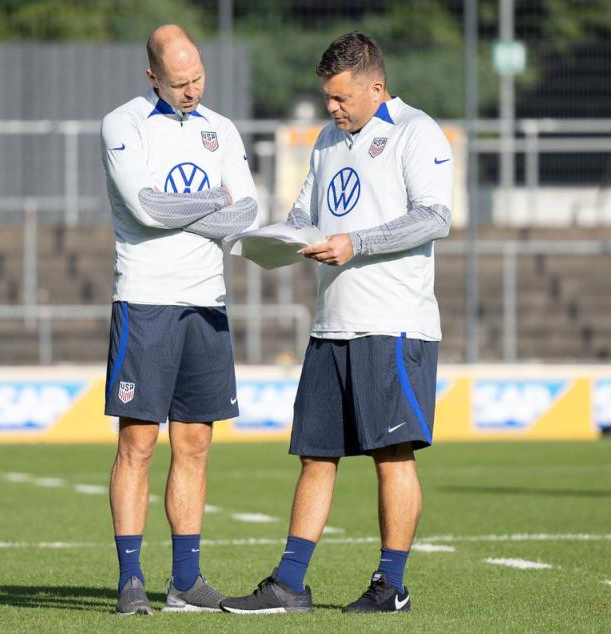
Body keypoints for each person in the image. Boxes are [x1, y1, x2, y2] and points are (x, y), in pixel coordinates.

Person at [221, 32, 453, 615]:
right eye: (328, 98)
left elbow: (434, 217)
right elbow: (306, 213)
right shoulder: (326, 140)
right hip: (332, 326)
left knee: (393, 455)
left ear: (376, 86)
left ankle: (390, 586)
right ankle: (289, 585)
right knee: (316, 455)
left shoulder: (416, 132)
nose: (332, 108)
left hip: (393, 324)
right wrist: (276, 240)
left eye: (342, 98)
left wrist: (358, 243)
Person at [99, 24, 258, 615]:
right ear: (152, 77)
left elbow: (247, 211)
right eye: (178, 82)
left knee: (194, 444)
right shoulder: (122, 124)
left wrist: (206, 210)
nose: (192, 89)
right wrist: (213, 202)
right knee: (138, 443)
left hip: (206, 302)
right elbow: (146, 205)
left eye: (198, 78)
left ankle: (186, 582)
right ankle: (131, 581)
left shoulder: (223, 129)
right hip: (145, 300)